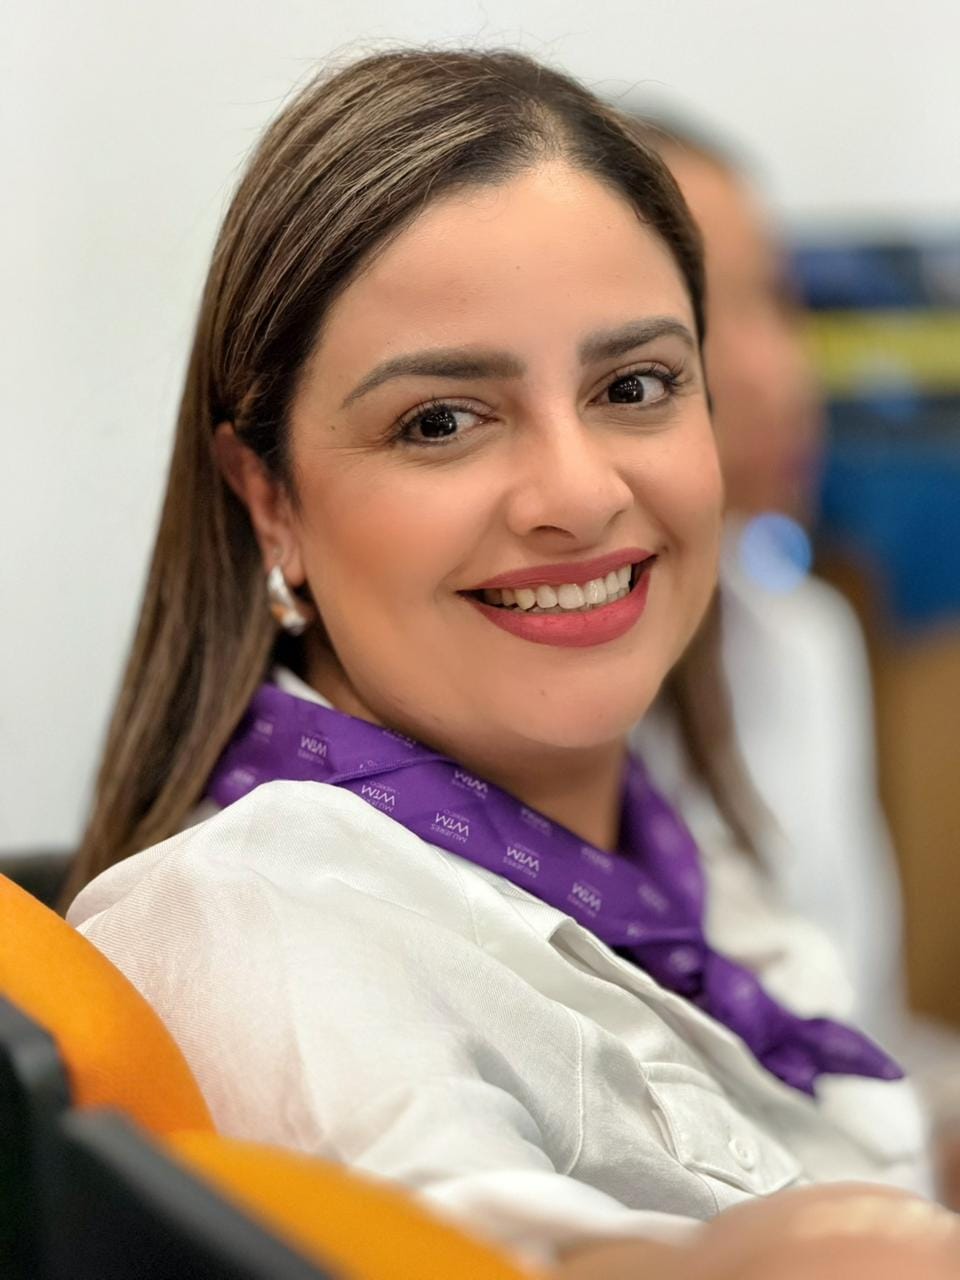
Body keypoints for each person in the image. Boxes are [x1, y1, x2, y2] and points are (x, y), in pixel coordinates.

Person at [59, 50, 949, 1275]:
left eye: (634, 384)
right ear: (270, 500)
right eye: (440, 420)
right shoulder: (255, 926)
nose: (579, 493)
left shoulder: (662, 839)